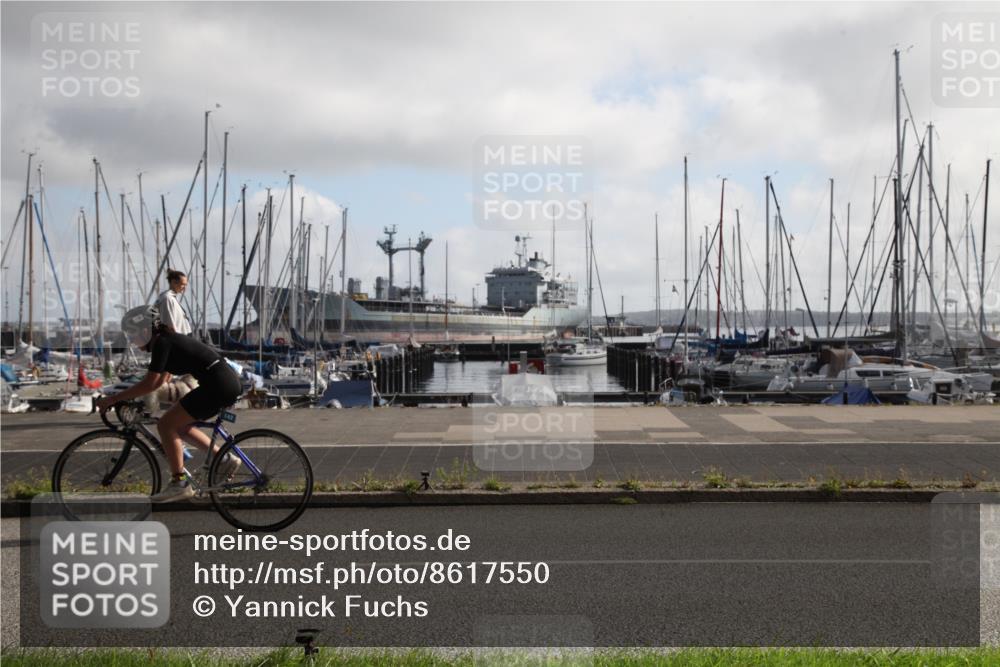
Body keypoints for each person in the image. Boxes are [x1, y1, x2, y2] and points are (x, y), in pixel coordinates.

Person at [96, 305, 242, 502]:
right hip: (222, 383)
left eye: (132, 333)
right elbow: (159, 382)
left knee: (165, 425)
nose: (130, 339)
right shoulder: (166, 342)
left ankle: (179, 483)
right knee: (179, 427)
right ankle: (223, 459)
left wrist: (114, 399)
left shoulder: (162, 344)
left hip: (218, 385)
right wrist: (135, 398)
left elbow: (150, 383)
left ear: (146, 330)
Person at [155, 269, 192, 335]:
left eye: (186, 285)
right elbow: (169, 325)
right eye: (183, 284)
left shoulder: (171, 298)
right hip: (177, 339)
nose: (185, 288)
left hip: (181, 338)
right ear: (174, 282)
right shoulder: (167, 299)